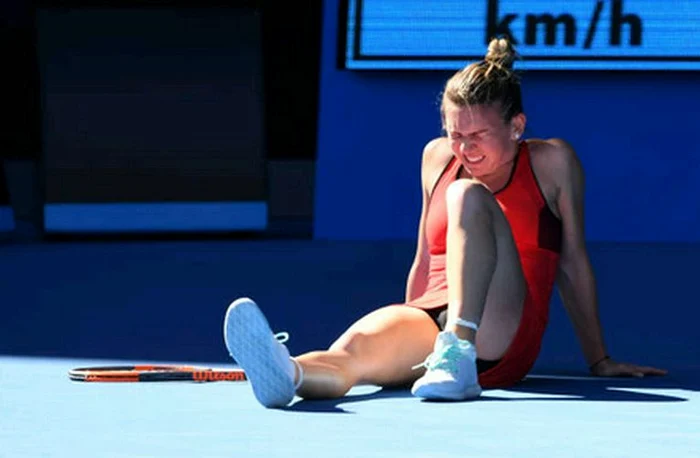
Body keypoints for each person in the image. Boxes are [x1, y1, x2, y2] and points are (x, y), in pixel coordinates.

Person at [223, 37, 667, 409]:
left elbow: (572, 263)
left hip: (502, 329)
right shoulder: (436, 158)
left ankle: (457, 349)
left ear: (517, 126)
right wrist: (405, 330)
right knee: (352, 355)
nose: (464, 149)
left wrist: (599, 359)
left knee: (467, 193)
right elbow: (424, 255)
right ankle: (291, 372)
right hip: (434, 315)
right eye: (455, 134)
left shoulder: (552, 161)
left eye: (478, 136)